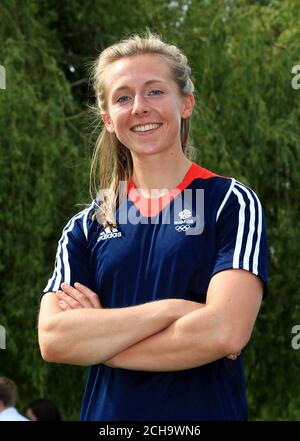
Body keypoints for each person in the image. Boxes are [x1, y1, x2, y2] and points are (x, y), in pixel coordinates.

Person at [38, 32, 268, 421]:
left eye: (155, 92)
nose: (140, 107)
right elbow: (55, 339)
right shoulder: (88, 225)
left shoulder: (229, 203)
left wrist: (99, 344)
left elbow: (224, 332)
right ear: (109, 120)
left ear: (187, 103)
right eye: (123, 97)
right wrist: (174, 309)